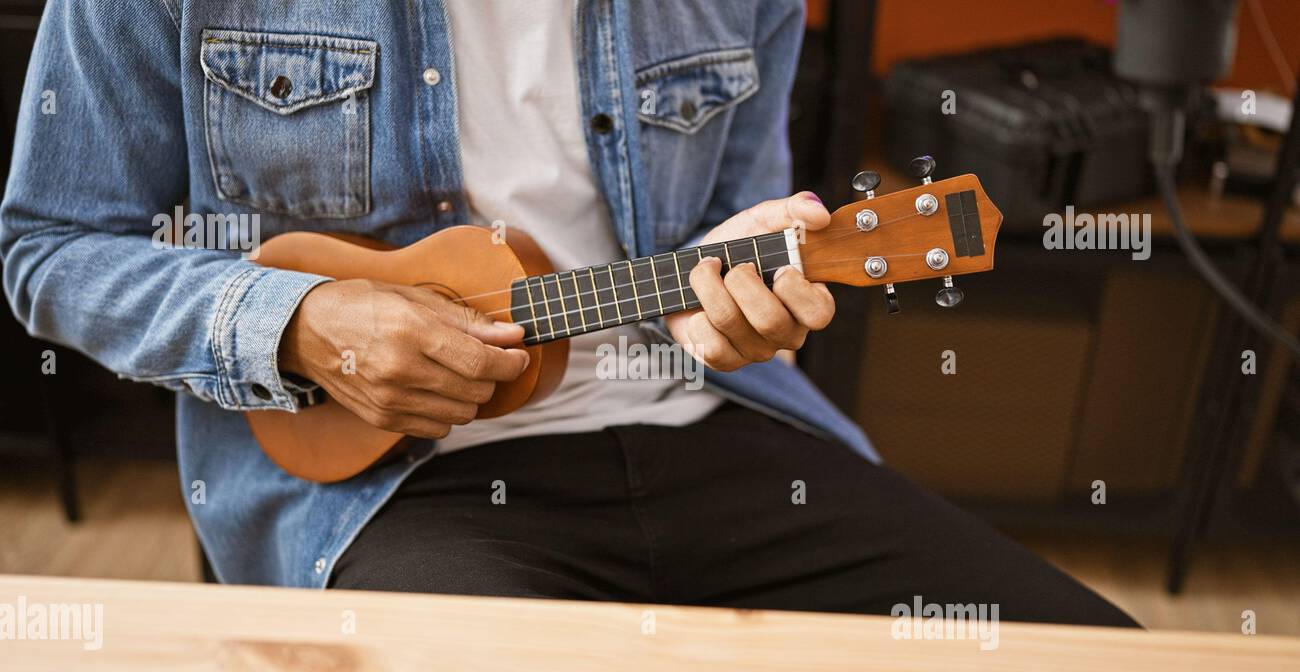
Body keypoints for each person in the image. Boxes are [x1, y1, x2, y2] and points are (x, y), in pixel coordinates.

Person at [1, 0, 1136, 627]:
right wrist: (295, 324)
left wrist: (731, 303)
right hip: (382, 491)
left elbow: (727, 237)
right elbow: (48, 245)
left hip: (711, 427)